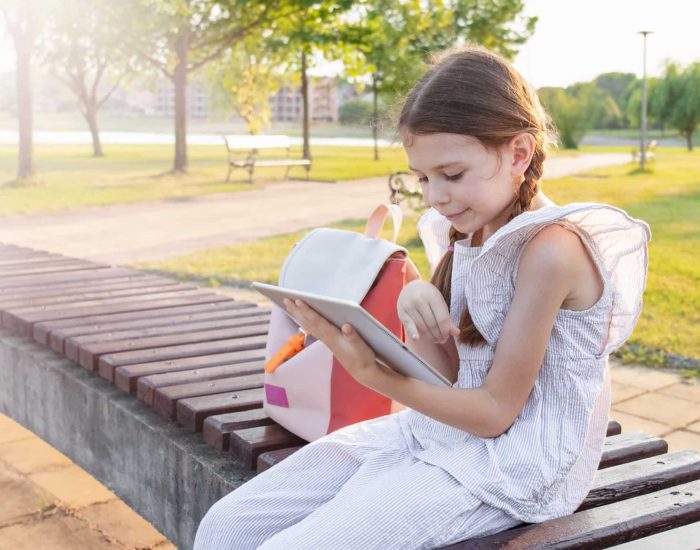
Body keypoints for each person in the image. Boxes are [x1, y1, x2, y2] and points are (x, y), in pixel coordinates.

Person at [193, 45, 650, 550]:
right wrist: (417, 316)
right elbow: (454, 376)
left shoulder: (551, 250)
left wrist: (372, 374)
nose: (435, 196)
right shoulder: (466, 229)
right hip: (439, 433)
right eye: (424, 178)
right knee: (226, 527)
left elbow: (496, 412)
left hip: (516, 468)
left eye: (451, 175)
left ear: (519, 153)